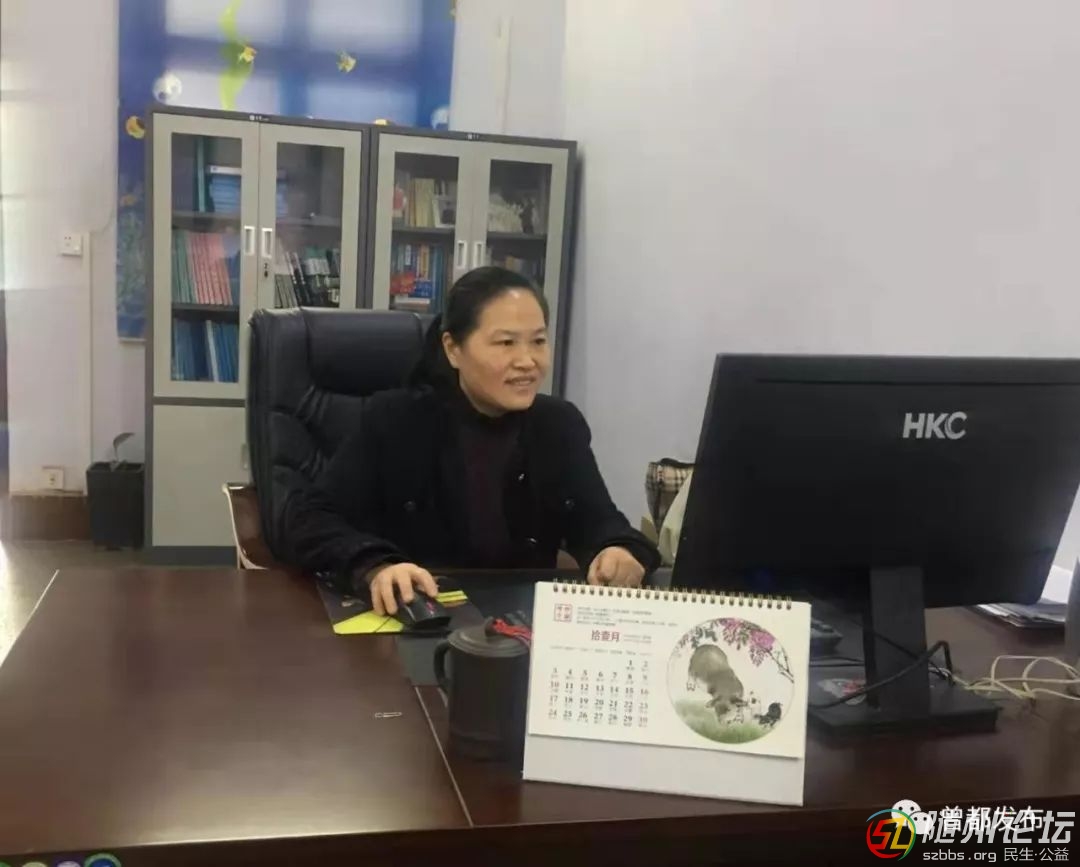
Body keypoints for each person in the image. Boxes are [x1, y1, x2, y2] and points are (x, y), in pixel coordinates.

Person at [279, 266, 660, 615]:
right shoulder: (395, 420)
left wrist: (618, 550)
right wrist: (376, 566)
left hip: (518, 628)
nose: (527, 361)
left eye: (538, 341)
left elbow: (601, 522)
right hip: (421, 619)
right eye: (506, 343)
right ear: (453, 349)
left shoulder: (558, 425)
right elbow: (308, 520)